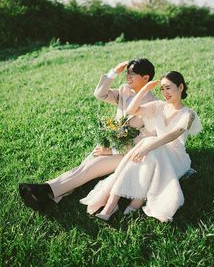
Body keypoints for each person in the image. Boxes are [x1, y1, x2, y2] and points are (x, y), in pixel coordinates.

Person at [19, 58, 157, 209]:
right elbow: (100, 94)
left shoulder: (152, 105)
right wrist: (113, 72)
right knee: (84, 167)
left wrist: (112, 150)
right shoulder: (124, 90)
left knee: (91, 167)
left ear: (146, 78)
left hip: (129, 154)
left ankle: (44, 190)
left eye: (133, 73)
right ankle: (49, 195)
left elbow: (146, 140)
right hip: (112, 142)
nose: (128, 76)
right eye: (127, 72)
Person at [80, 71, 202, 222]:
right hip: (155, 150)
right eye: (162, 89)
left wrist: (147, 147)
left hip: (176, 159)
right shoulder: (159, 106)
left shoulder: (188, 114)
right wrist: (144, 89)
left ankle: (134, 201)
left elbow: (172, 135)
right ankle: (112, 204)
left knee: (148, 143)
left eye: (168, 88)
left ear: (181, 87)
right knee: (148, 146)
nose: (165, 93)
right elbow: (131, 110)